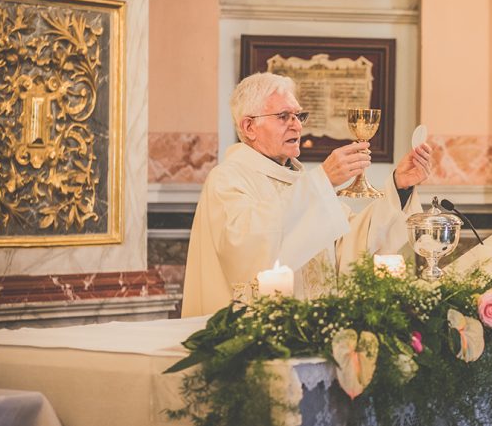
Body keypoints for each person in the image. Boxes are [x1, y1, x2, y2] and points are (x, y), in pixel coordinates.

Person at [181, 72, 432, 316]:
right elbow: (247, 247)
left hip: (314, 331)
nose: (297, 125)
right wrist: (323, 180)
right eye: (284, 116)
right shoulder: (228, 178)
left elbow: (349, 242)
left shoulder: (300, 180)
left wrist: (399, 187)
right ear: (249, 127)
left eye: (299, 116)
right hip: (256, 335)